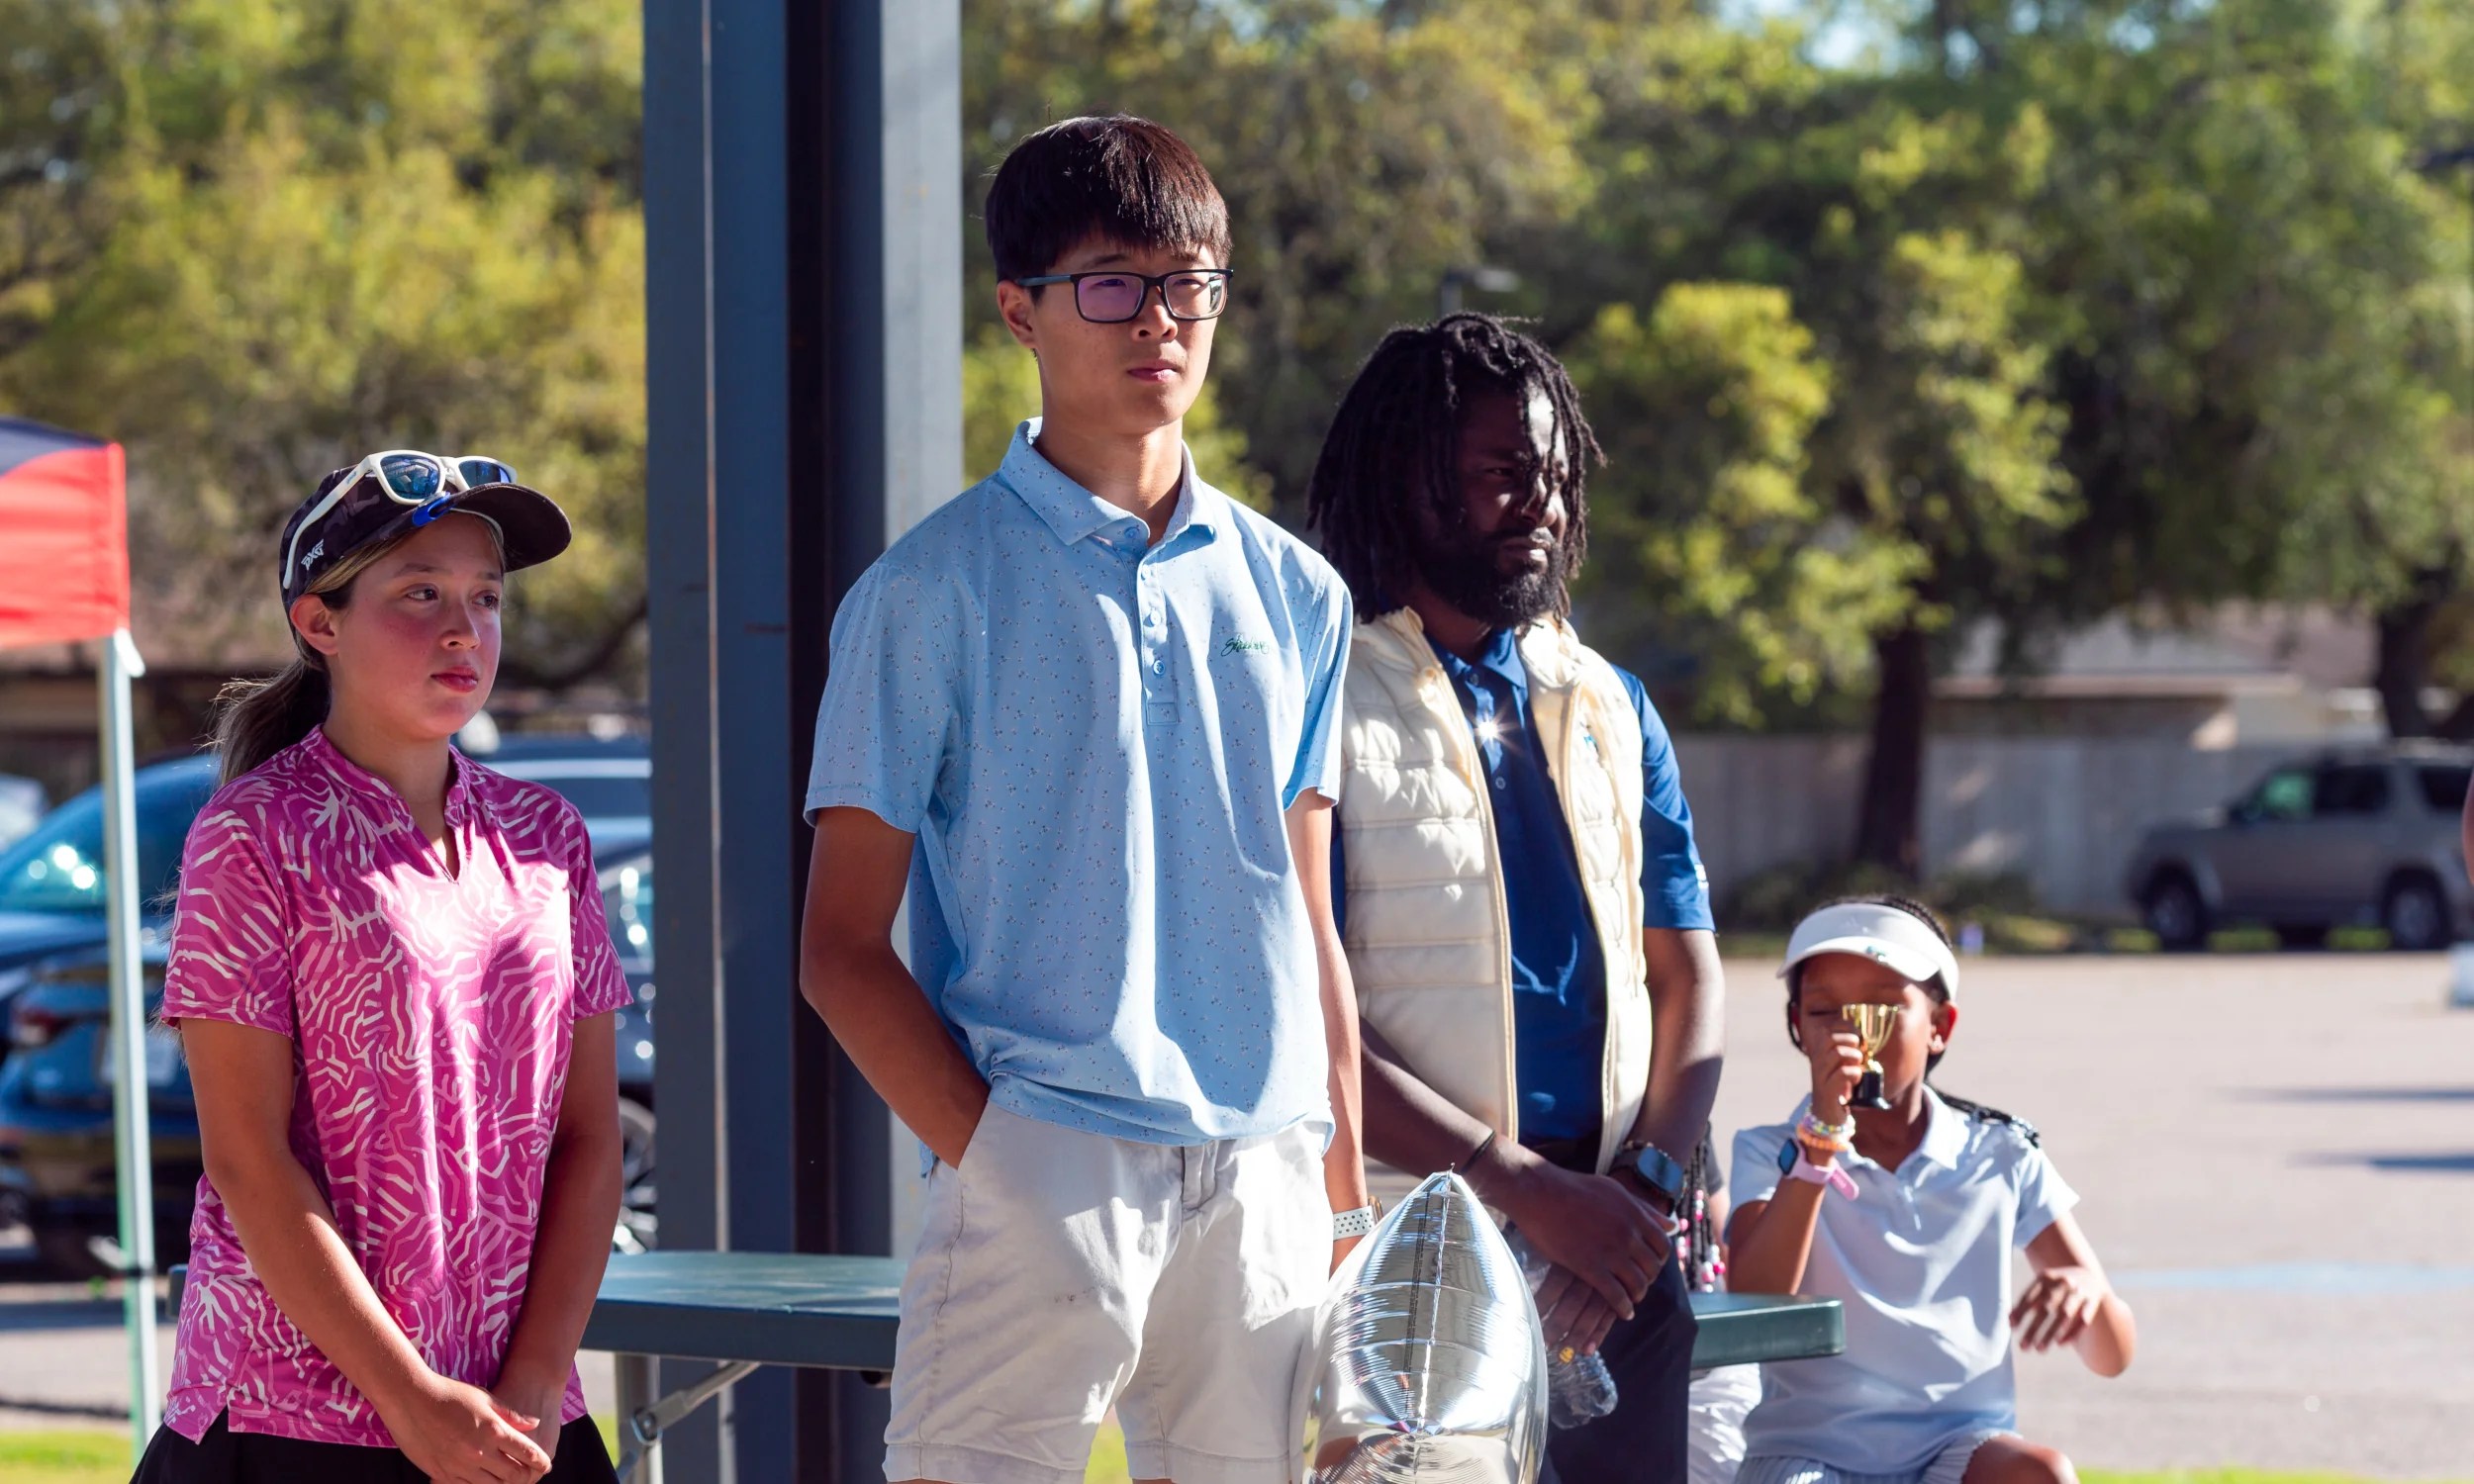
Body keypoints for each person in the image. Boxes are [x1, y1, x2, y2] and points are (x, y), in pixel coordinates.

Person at [798, 115, 1368, 1484]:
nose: (1159, 320)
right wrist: (1001, 1155)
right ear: (1020, 311)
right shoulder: (926, 591)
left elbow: (1308, 918)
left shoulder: (1299, 591)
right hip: (1046, 1155)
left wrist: (1343, 1205)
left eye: (1190, 285)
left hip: (1266, 1176)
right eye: (1112, 284)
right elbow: (838, 949)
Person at [134, 454, 630, 1484]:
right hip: (291, 1418)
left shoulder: (549, 836)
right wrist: (409, 1399)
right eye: (419, 593)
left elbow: (589, 1137)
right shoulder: (252, 833)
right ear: (320, 623)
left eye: (485, 598)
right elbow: (246, 1158)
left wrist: (540, 1378)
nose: (464, 630)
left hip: (515, 1413)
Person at [1305, 313, 1726, 1483]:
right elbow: (1303, 1019)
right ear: (1408, 478)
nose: (1540, 501)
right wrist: (1519, 1189)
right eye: (1501, 472)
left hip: (1618, 1254)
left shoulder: (1609, 702)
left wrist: (1639, 1195)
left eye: (1553, 473)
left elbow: (1685, 972)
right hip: (1410, 1253)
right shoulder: (1317, 701)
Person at [1727, 897, 2137, 1484]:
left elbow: (2113, 1357)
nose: (1851, 1032)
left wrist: (2087, 1293)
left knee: (2042, 1473)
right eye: (1824, 1011)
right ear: (1797, 1028)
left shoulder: (2001, 1152)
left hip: (1958, 1446)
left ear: (1940, 1027)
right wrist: (1818, 1148)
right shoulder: (1771, 1152)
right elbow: (1756, 1302)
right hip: (1811, 1453)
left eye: (1882, 1009)